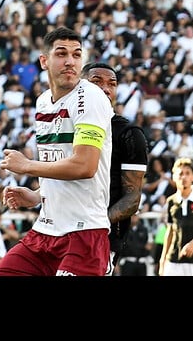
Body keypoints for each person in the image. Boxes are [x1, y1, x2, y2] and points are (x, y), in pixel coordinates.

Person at [0, 26, 114, 277]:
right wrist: (38, 195)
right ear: (44, 61)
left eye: (76, 55)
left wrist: (26, 166)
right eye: (61, 54)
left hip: (84, 233)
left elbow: (84, 166)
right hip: (45, 230)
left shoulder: (91, 97)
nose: (70, 62)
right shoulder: (43, 101)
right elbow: (57, 159)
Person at [80, 61, 148, 277]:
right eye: (96, 82)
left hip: (101, 237)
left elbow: (132, 200)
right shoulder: (66, 125)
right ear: (80, 86)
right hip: (59, 230)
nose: (106, 88)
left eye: (112, 83)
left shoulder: (129, 133)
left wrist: (94, 226)